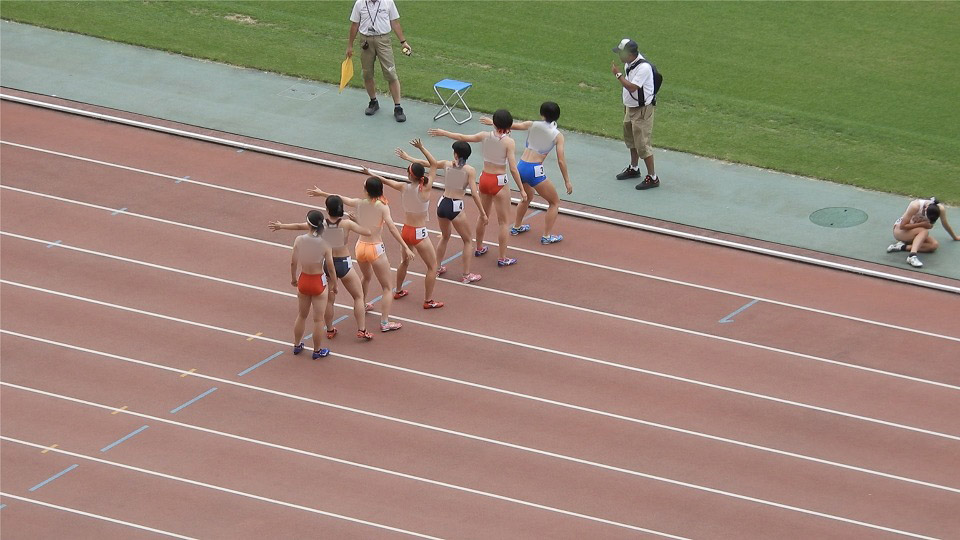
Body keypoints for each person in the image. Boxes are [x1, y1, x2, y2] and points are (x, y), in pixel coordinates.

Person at [309, 175, 413, 332]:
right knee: (387, 287)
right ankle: (384, 322)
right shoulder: (382, 207)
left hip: (360, 247)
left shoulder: (360, 203)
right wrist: (405, 246)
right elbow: (391, 227)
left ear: (367, 191)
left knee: (366, 277)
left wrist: (323, 193)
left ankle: (363, 304)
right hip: (375, 247)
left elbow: (341, 199)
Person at [428, 110, 528, 267]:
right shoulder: (509, 142)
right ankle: (502, 257)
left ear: (494, 123)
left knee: (483, 216)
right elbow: (513, 169)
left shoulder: (484, 136)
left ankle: (479, 247)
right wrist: (521, 189)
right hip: (499, 181)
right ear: (509, 126)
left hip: (485, 178)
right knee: (503, 222)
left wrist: (444, 132)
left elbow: (462, 137)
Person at [270, 195, 375, 340]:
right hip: (344, 262)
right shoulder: (346, 224)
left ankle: (330, 329)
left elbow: (300, 226)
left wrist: (282, 226)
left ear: (327, 209)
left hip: (328, 263)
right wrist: (357, 220)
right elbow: (368, 232)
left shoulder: (322, 225)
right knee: (358, 296)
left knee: (330, 300)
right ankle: (362, 330)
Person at [362, 139, 444, 308]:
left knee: (404, 261)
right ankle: (428, 301)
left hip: (405, 230)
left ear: (409, 176)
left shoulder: (403, 187)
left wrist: (370, 172)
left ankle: (398, 290)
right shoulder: (426, 190)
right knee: (432, 266)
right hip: (419, 232)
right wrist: (421, 147)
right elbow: (434, 164)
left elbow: (384, 180)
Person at [481, 101, 573, 244]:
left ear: (542, 114)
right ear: (557, 117)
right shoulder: (558, 135)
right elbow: (561, 161)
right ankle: (547, 236)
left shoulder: (532, 124)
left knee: (527, 196)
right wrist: (567, 180)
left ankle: (517, 226)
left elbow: (510, 125)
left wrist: (493, 122)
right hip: (534, 170)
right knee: (554, 202)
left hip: (521, 166)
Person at [398, 140, 486, 283]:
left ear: (456, 154)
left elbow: (428, 163)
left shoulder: (446, 165)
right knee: (468, 241)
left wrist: (410, 157)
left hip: (442, 204)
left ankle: (437, 267)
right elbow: (475, 194)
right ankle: (466, 275)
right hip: (455, 206)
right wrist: (482, 213)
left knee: (445, 236)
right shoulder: (469, 170)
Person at [346, 0, 410, 122]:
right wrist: (350, 46)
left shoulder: (388, 2)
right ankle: (373, 101)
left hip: (383, 40)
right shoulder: (360, 3)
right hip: (366, 40)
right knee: (367, 73)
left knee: (391, 74)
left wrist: (403, 42)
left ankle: (398, 107)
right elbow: (355, 24)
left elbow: (394, 22)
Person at [611, 38, 661, 190]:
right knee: (631, 140)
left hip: (641, 111)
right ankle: (634, 168)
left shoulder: (643, 68)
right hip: (630, 108)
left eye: (621, 52)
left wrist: (618, 75)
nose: (619, 55)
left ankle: (653, 177)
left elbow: (632, 87)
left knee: (642, 144)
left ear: (630, 54)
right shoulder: (629, 63)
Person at [290, 210, 338, 359]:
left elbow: (293, 262)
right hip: (318, 282)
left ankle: (297, 345)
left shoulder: (299, 240)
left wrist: (293, 278)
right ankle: (317, 351)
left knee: (302, 315)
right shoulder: (325, 244)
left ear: (308, 223)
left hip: (304, 279)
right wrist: (334, 284)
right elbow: (330, 267)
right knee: (318, 319)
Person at [886, 197, 958, 268]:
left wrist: (955, 237)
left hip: (915, 232)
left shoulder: (940, 208)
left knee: (934, 245)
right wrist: (922, 224)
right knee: (924, 231)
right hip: (900, 231)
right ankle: (911, 256)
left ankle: (901, 247)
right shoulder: (915, 206)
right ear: (926, 209)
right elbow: (902, 226)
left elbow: (945, 224)